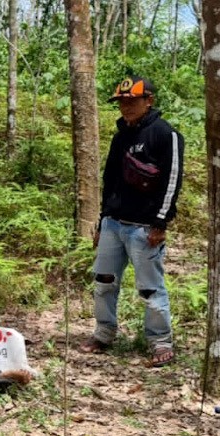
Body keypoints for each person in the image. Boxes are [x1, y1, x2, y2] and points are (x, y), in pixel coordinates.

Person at [79, 76, 184, 368]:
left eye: (132, 101)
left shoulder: (165, 134)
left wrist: (160, 222)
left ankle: (160, 340)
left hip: (144, 228)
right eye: (122, 102)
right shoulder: (120, 135)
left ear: (148, 101)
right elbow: (110, 179)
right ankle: (104, 332)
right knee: (103, 281)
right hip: (114, 223)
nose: (126, 107)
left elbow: (172, 180)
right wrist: (102, 220)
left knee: (150, 288)